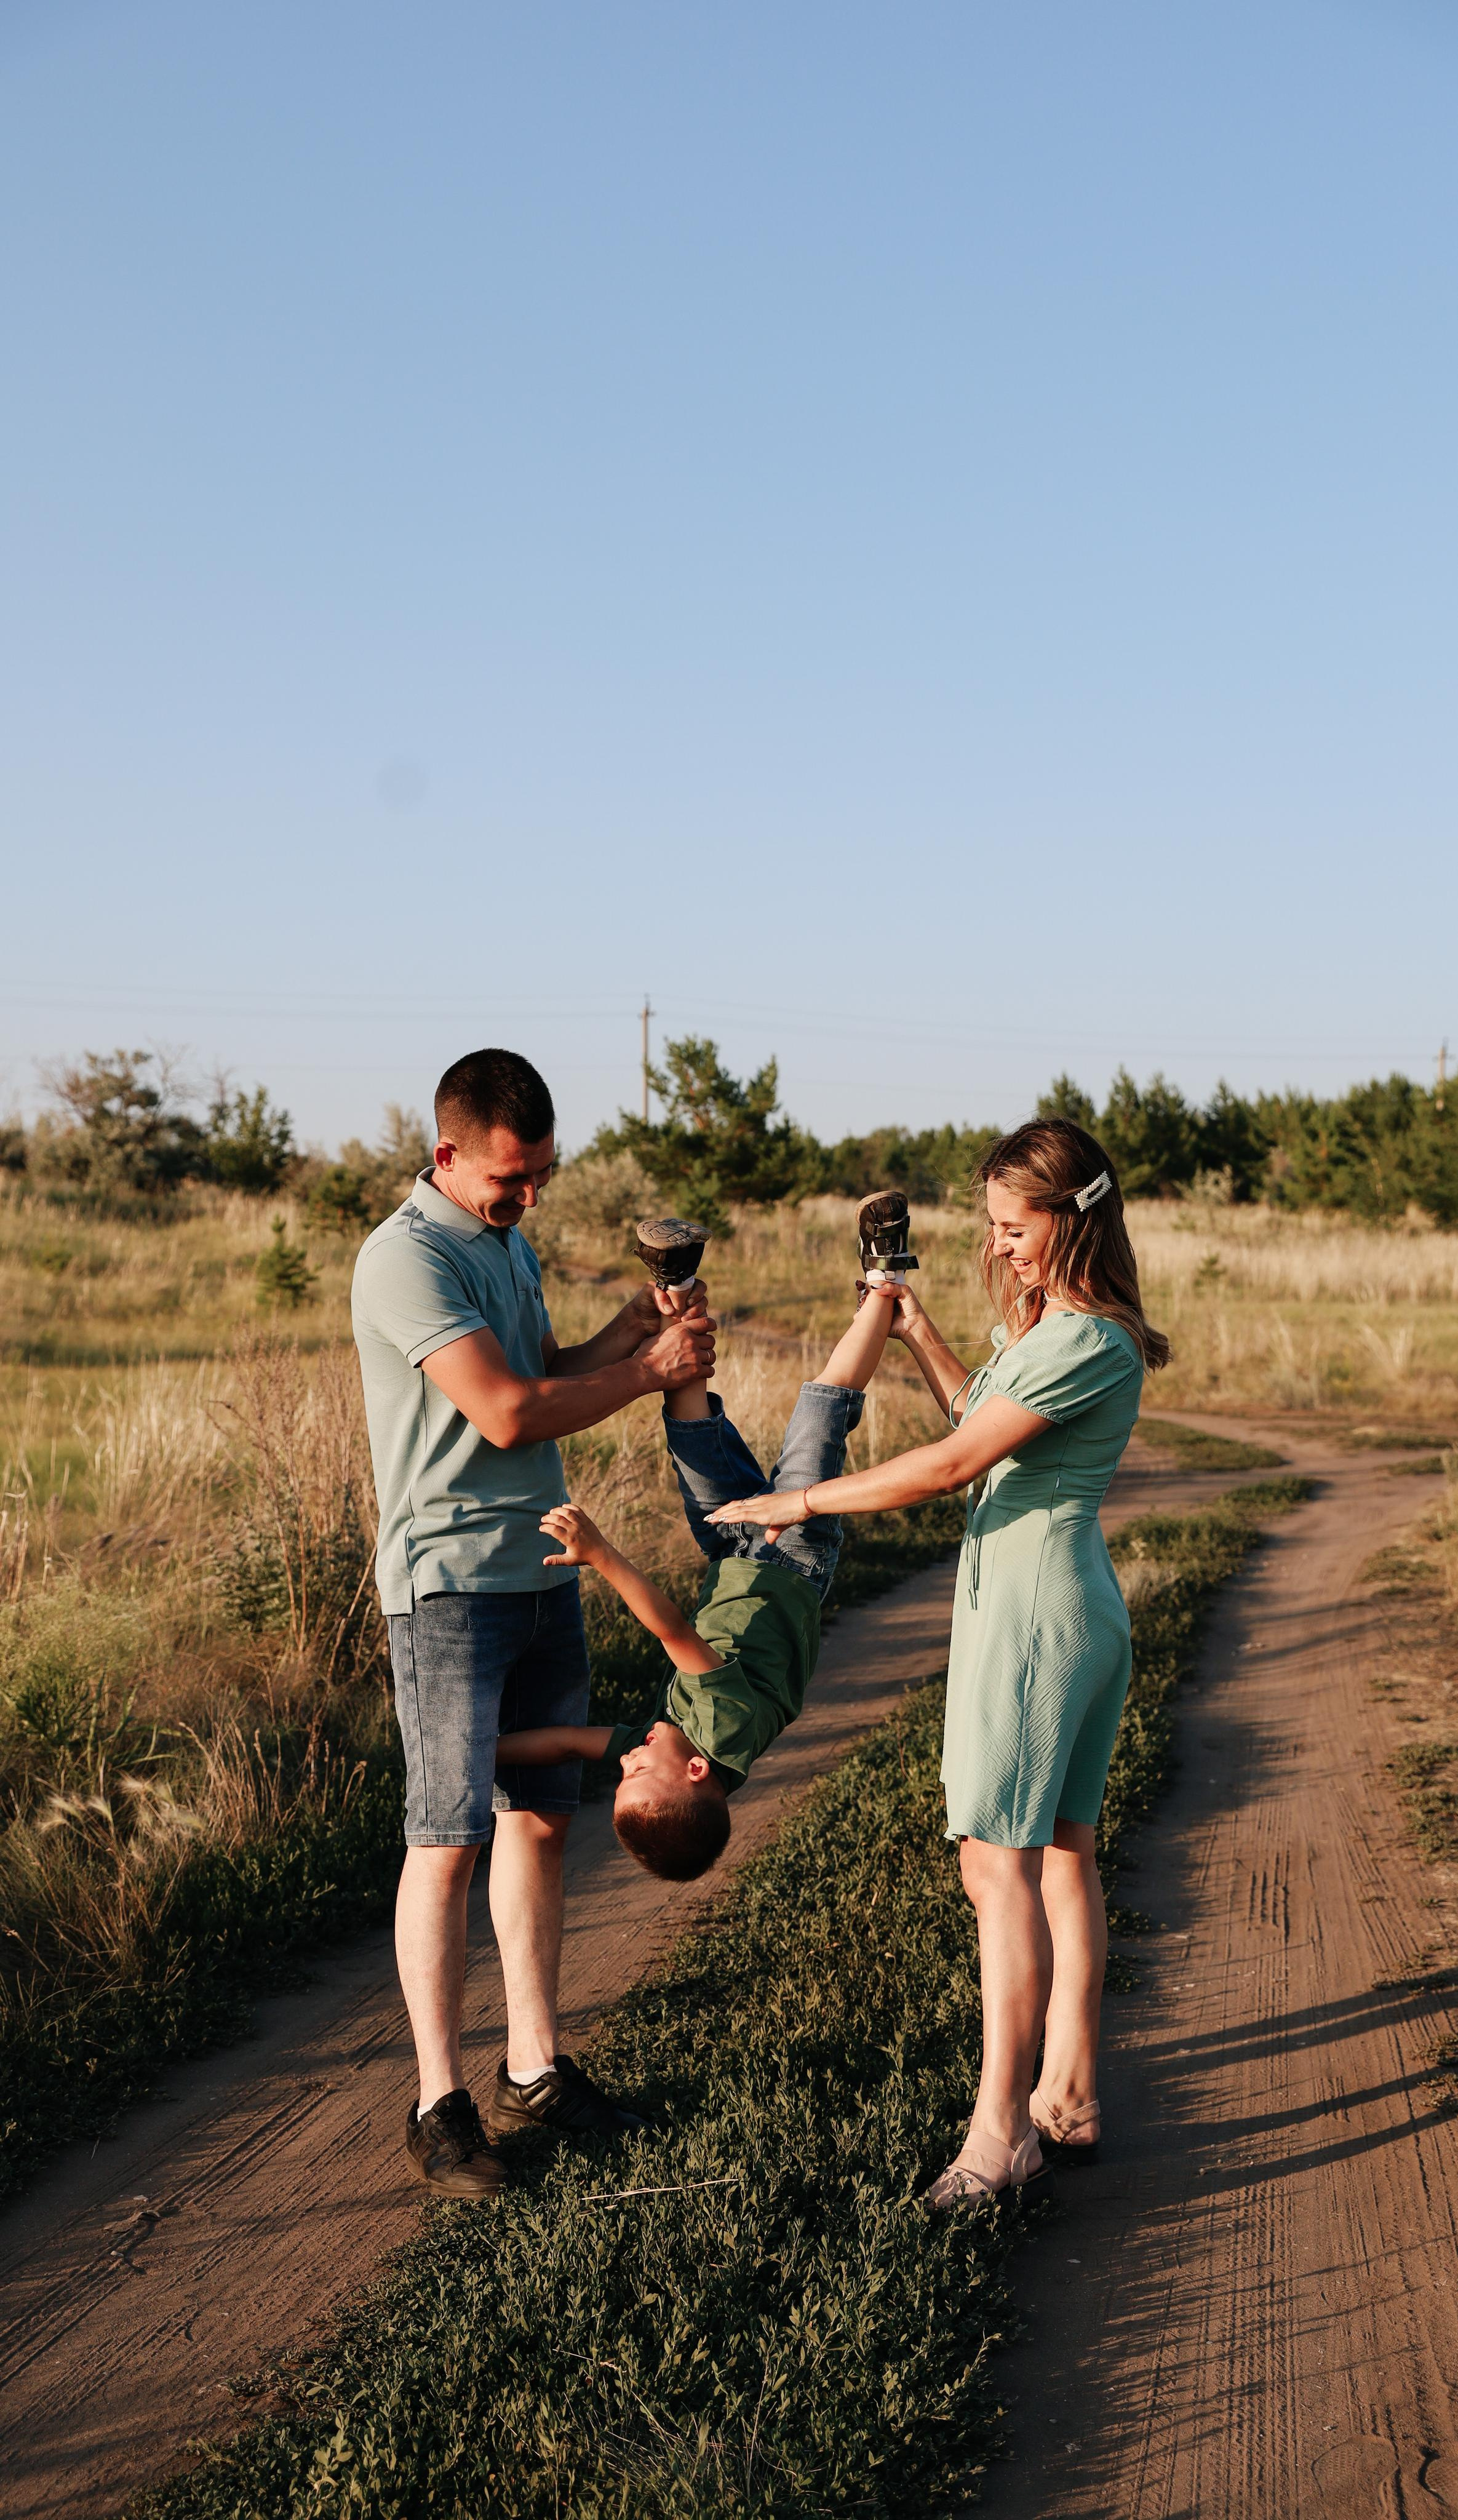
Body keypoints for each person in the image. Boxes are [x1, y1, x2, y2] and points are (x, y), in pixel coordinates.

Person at [704, 1121, 1169, 2207]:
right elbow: (985, 1420)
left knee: (993, 1866)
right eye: (994, 1228)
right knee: (1060, 1854)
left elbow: (956, 1463)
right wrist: (917, 1331)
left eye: (1016, 1228)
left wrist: (801, 1498)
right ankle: (1071, 2095)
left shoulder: (1088, 1336)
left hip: (1032, 1620)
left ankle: (997, 2136)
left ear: (1074, 1216)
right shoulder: (1066, 1328)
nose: (1001, 1247)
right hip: (1064, 1605)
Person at [351, 1048, 716, 2198]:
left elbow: (547, 1369)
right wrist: (654, 1370)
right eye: (513, 1179)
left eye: (544, 1176)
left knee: (543, 1823)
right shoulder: (403, 1258)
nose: (530, 1198)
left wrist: (628, 1330)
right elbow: (510, 1413)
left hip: (544, 1565)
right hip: (449, 1580)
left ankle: (535, 2065)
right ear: (449, 1151)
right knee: (446, 1837)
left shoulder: (503, 1240)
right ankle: (437, 2103)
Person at [493, 1234, 903, 1879]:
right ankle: (886, 1280)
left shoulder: (666, 1746)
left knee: (688, 1422)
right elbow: (673, 1630)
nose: (627, 1761)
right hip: (790, 1553)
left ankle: (678, 1286)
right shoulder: (722, 1727)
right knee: (820, 1409)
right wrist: (599, 1553)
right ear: (695, 1770)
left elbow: (567, 1742)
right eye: (637, 1771)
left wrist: (473, 1753)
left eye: (623, 1773)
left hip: (731, 1550)